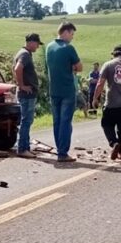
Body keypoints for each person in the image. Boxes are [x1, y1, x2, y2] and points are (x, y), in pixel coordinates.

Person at [45, 22, 83, 162]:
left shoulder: (49, 47)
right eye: (72, 34)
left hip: (54, 89)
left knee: (57, 121)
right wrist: (72, 66)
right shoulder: (69, 48)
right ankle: (63, 152)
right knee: (66, 122)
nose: (72, 37)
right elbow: (79, 67)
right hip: (67, 90)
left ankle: (59, 149)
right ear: (65, 32)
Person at [13, 33, 43, 158]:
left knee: (27, 121)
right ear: (31, 42)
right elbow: (17, 69)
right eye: (37, 44)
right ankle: (22, 149)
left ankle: (26, 147)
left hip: (26, 94)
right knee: (26, 121)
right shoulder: (25, 54)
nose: (37, 47)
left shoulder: (22, 53)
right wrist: (22, 85)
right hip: (27, 94)